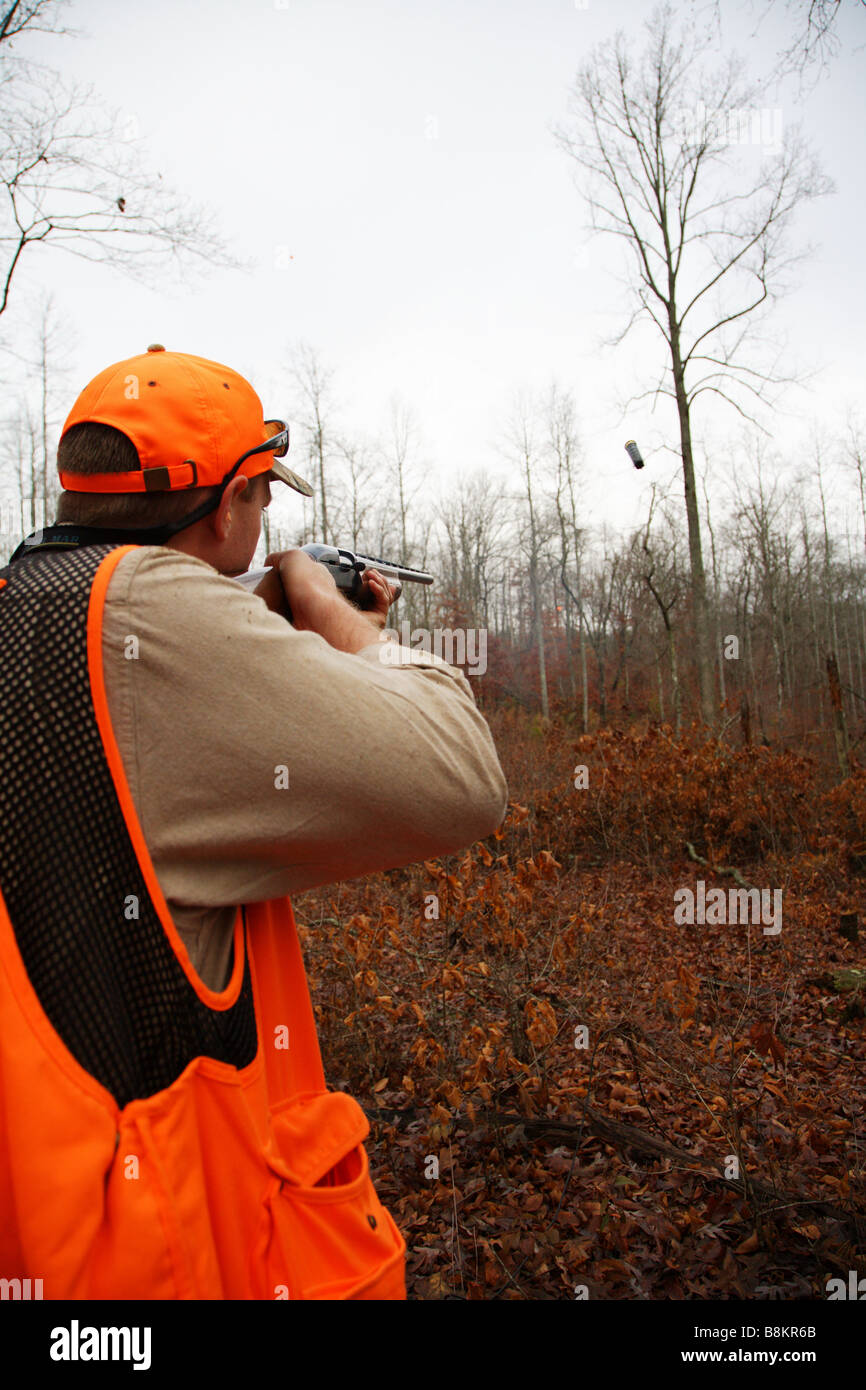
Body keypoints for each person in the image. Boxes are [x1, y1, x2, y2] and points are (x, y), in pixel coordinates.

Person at [0, 345, 507, 1301]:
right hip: (156, 1256)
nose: (266, 515)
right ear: (230, 504)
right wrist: (332, 612)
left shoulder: (25, 603)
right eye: (263, 496)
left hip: (44, 1214)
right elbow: (463, 774)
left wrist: (271, 618)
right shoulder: (156, 612)